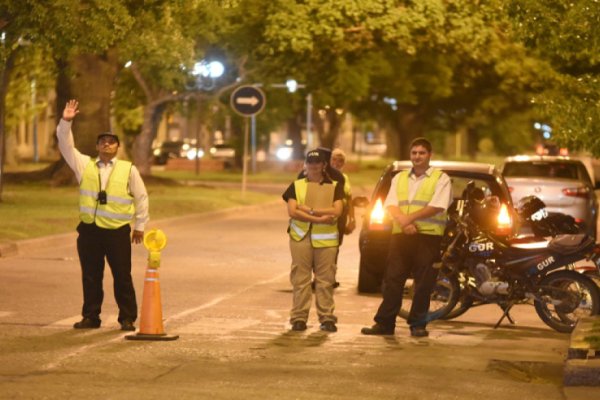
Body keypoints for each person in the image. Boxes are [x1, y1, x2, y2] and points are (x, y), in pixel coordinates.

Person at [56, 99, 149, 331]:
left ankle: (127, 317)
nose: (107, 145)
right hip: (89, 230)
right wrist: (66, 121)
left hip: (117, 232)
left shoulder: (129, 169)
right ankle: (91, 316)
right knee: (90, 276)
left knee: (122, 276)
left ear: (117, 147)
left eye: (111, 142)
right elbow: (65, 145)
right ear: (97, 146)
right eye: (102, 142)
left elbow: (142, 197)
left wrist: (140, 225)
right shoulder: (83, 165)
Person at [361, 137, 452, 337]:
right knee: (393, 280)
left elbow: (437, 206)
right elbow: (391, 204)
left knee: (423, 283)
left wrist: (407, 219)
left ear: (430, 155)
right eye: (414, 153)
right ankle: (385, 323)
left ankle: (418, 324)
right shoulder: (399, 177)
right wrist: (403, 222)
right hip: (401, 236)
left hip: (428, 237)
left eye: (422, 153)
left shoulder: (441, 179)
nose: (417, 156)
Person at [282, 149, 344, 332]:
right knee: (300, 280)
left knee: (325, 280)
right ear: (305, 165)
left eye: (317, 163)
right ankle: (299, 318)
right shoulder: (297, 185)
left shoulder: (334, 186)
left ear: (324, 165)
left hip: (326, 241)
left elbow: (337, 211)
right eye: (310, 162)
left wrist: (307, 209)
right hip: (300, 238)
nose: (314, 166)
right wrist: (318, 217)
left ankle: (327, 318)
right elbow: (293, 211)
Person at [330, 148, 356, 238]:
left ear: (344, 164)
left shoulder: (345, 178)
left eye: (340, 161)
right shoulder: (324, 176)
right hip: (328, 216)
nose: (336, 163)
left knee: (337, 244)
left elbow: (349, 200)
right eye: (333, 159)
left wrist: (352, 219)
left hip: (342, 217)